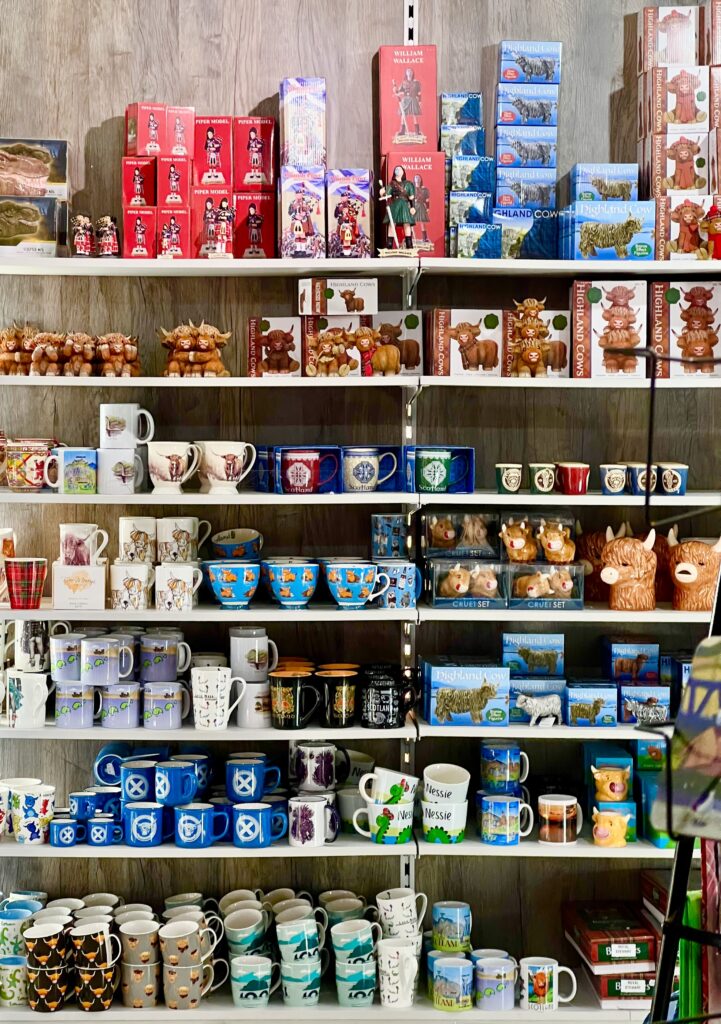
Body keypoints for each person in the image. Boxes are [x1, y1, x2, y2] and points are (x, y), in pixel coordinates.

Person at [380, 165, 416, 248]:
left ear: (403, 172)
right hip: (394, 205)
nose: (398, 170)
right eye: (396, 169)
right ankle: (389, 244)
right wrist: (382, 192)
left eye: (400, 169)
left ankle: (409, 244)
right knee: (392, 223)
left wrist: (412, 207)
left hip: (404, 205)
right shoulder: (392, 184)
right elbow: (387, 194)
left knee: (406, 223)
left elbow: (411, 198)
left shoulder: (408, 184)